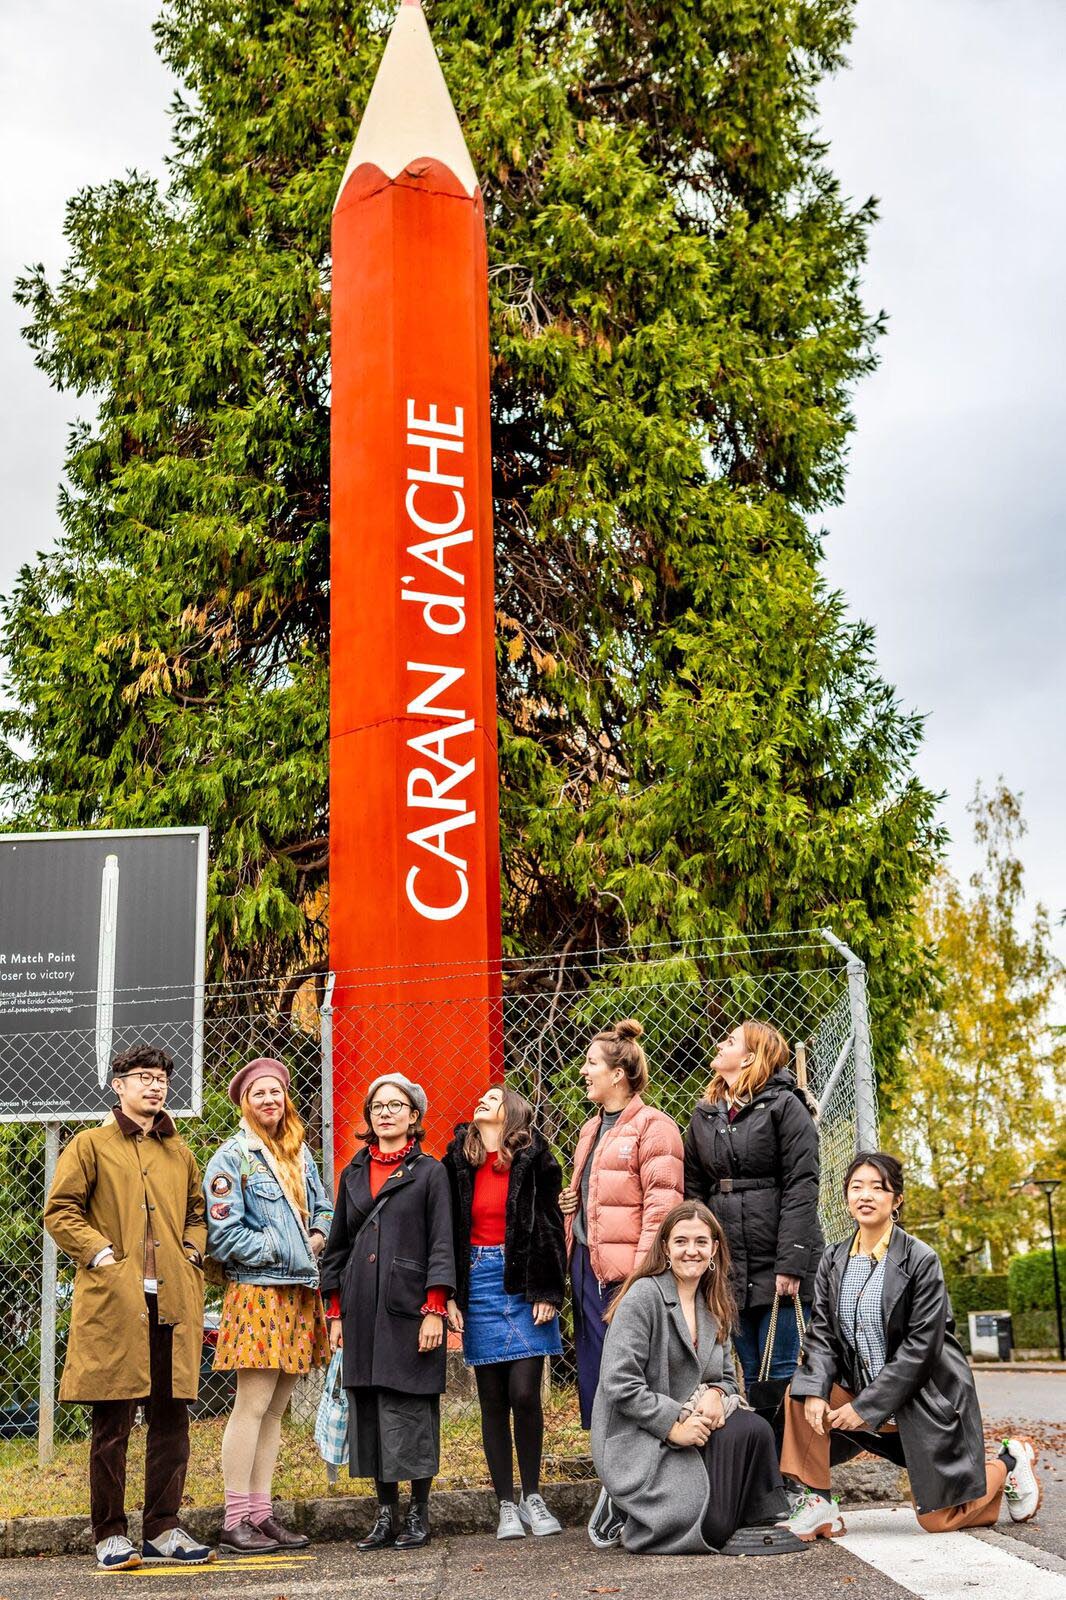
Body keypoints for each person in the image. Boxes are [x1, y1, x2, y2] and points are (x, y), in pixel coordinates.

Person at [779, 1151, 1042, 1541]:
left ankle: (1009, 1461)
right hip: (862, 1394)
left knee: (938, 1521)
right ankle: (819, 1506)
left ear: (896, 1199)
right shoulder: (833, 1260)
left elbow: (921, 1349)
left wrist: (865, 1407)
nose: (865, 1195)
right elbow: (823, 1335)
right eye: (856, 1187)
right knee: (801, 1394)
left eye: (878, 1188)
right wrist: (819, 1390)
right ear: (846, 1197)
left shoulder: (921, 1260)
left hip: (924, 1402)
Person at [43, 1043, 214, 1572]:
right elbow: (60, 1209)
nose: (155, 1085)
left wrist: (191, 1253)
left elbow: (197, 1213)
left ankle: (163, 1527)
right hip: (116, 1301)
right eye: (142, 1077)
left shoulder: (179, 1152)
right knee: (112, 1422)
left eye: (161, 1077)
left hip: (171, 1300)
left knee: (171, 1418)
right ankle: (110, 1533)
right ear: (118, 1085)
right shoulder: (90, 1144)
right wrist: (102, 1256)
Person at [591, 1201, 794, 1554]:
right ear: (666, 1248)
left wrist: (716, 1392)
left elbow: (728, 1378)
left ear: (714, 1249)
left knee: (755, 1429)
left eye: (701, 1242)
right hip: (643, 1435)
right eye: (681, 1241)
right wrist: (673, 1426)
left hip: (696, 1427)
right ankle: (623, 1507)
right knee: (710, 1528)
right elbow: (619, 1382)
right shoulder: (644, 1297)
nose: (691, 1251)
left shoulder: (714, 1302)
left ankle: (757, 1517)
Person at [319, 1073, 454, 1552]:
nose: (385, 1112)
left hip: (409, 1307)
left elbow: (443, 1241)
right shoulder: (352, 1172)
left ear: (414, 1116)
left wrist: (435, 1307)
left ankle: (418, 1512)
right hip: (359, 1308)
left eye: (397, 1105)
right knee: (372, 1408)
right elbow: (335, 1248)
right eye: (378, 1105)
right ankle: (384, 1514)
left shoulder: (430, 1171)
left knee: (412, 1407)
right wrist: (335, 1314)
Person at [203, 1058, 333, 1555]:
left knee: (276, 1410)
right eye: (258, 1093)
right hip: (258, 1291)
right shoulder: (231, 1157)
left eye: (275, 1092)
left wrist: (316, 1237)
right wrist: (283, 1250)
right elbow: (225, 1233)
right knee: (252, 1405)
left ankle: (260, 1513)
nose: (269, 1101)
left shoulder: (298, 1153)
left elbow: (323, 1207)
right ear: (244, 1101)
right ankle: (235, 1518)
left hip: (300, 1290)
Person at [444, 1086, 567, 1540]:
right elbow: (447, 1232)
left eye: (493, 1098)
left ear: (511, 1112)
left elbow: (551, 1223)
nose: (480, 1101)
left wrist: (549, 1290)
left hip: (525, 1281)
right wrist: (449, 1295)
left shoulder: (535, 1157)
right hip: (477, 1280)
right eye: (479, 1097)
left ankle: (533, 1494)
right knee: (492, 1399)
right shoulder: (458, 1159)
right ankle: (506, 1506)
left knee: (524, 1393)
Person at [683, 1019, 822, 1389]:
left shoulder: (786, 1107)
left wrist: (791, 1263)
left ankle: (787, 1448)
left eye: (730, 1041)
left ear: (749, 1058)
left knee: (779, 1372)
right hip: (730, 1266)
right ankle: (767, 1447)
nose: (720, 1045)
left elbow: (802, 1186)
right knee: (748, 1368)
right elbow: (693, 1190)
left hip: (780, 1263)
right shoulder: (705, 1114)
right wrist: (700, 1255)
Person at [560, 1019, 684, 1430]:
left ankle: (641, 1464)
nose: (583, 1070)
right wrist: (572, 1202)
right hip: (586, 1266)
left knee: (632, 1370)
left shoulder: (655, 1126)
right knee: (594, 1370)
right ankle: (607, 1463)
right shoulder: (590, 1128)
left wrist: (642, 1276)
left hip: (627, 1273)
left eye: (591, 1063)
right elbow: (602, 1190)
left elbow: (662, 1207)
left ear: (617, 1074)